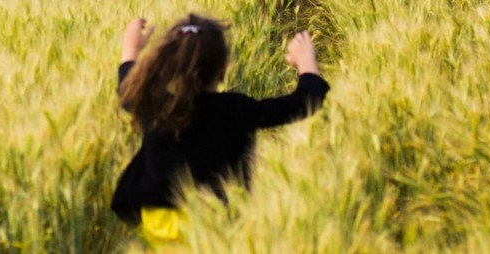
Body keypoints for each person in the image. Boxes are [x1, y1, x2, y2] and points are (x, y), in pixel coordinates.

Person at [110, 15, 329, 248]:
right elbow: (302, 103)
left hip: (160, 223)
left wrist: (131, 48)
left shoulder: (152, 105)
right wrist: (306, 64)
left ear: (167, 65)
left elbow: (127, 86)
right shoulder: (236, 109)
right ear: (223, 71)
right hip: (214, 223)